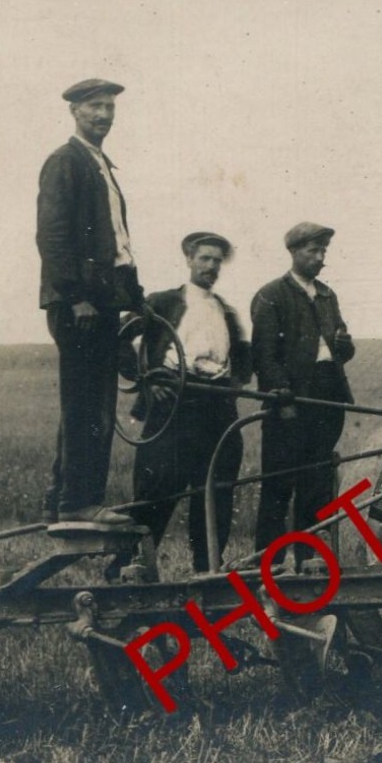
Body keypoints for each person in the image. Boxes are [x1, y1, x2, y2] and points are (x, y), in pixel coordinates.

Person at [36, 78, 145, 525]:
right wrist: (76, 296)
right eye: (95, 107)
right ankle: (80, 502)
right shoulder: (65, 162)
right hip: (81, 305)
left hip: (103, 300)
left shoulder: (101, 166)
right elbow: (52, 235)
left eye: (110, 108)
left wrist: (135, 297)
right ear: (75, 112)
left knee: (88, 402)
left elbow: (117, 243)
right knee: (88, 404)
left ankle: (63, 498)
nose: (104, 115)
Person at [129, 232, 251, 572]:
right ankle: (133, 568)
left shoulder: (225, 310)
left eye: (216, 261)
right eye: (204, 258)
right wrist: (148, 380)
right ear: (189, 260)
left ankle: (207, 569)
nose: (211, 266)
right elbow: (123, 339)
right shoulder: (163, 302)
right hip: (174, 405)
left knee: (215, 491)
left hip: (218, 407)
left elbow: (243, 357)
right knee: (157, 490)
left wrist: (235, 383)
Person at [251, 222, 355, 555]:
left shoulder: (327, 295)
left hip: (328, 398)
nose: (320, 257)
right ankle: (268, 561)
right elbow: (264, 355)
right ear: (294, 252)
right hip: (291, 400)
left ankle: (307, 561)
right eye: (313, 250)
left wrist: (344, 346)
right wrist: (282, 398)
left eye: (324, 250)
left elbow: (339, 353)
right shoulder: (272, 295)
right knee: (279, 483)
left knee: (316, 484)